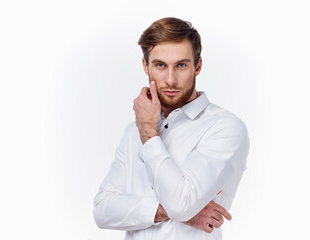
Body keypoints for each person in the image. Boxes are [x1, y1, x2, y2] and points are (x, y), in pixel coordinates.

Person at [93, 17, 249, 240]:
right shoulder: (133, 131)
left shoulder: (225, 128)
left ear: (198, 66)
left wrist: (148, 131)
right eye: (160, 65)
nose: (170, 79)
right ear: (146, 66)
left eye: (181, 65)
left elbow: (181, 204)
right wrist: (167, 211)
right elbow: (102, 210)